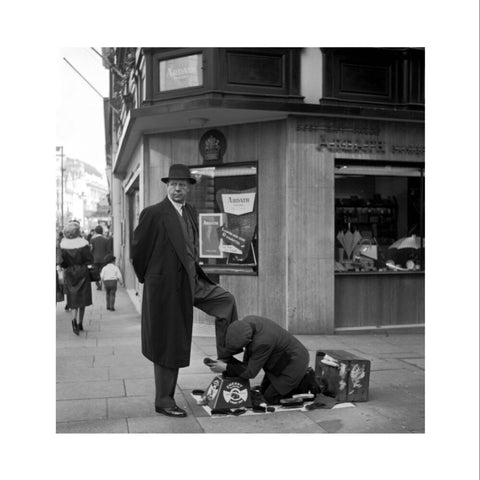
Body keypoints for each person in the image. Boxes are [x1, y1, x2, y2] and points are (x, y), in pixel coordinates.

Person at [132, 163, 239, 418]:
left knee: (226, 301)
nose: (177, 188)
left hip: (193, 282)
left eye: (182, 184)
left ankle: (225, 362)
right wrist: (154, 281)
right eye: (173, 184)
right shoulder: (154, 213)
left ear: (189, 188)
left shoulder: (190, 211)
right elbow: (138, 253)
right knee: (169, 342)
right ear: (167, 186)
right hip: (167, 288)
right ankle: (164, 400)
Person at [207, 315, 322, 405]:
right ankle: (295, 382)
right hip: (279, 362)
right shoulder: (248, 323)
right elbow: (248, 362)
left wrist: (226, 367)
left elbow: (250, 372)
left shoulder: (262, 342)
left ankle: (305, 381)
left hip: (294, 362)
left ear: (249, 341)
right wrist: (227, 363)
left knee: (270, 398)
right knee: (262, 391)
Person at [60, 221, 94, 335]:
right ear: (77, 231)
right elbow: (89, 259)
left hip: (70, 273)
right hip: (82, 272)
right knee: (82, 299)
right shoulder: (84, 243)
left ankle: (73, 320)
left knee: (73, 298)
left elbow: (62, 263)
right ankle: (80, 323)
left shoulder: (63, 245)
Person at [90, 225, 111, 290]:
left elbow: (91, 249)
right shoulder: (106, 239)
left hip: (95, 259)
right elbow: (108, 250)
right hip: (104, 259)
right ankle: (104, 284)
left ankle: (98, 285)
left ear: (96, 231)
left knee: (95, 273)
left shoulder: (92, 239)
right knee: (104, 272)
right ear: (102, 231)